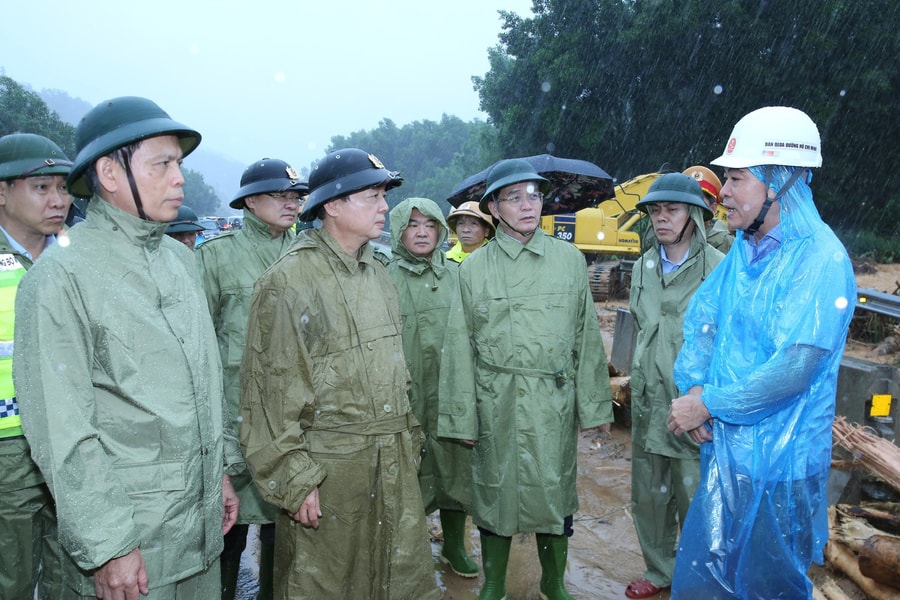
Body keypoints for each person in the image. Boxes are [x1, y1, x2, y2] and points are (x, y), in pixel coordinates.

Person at [14, 96, 243, 599]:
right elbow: (63, 432)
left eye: (179, 164)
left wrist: (221, 472)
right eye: (162, 164)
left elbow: (205, 382)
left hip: (198, 530)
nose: (179, 178)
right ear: (110, 174)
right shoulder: (61, 279)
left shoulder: (180, 264)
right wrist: (109, 544)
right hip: (134, 545)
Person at [666, 107, 856, 598]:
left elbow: (794, 369)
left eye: (735, 178)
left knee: (770, 586)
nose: (722, 191)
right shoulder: (746, 253)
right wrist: (695, 386)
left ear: (781, 181)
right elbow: (705, 321)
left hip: (783, 470)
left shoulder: (822, 260)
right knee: (713, 579)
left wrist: (707, 405)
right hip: (729, 455)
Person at [240, 148, 441, 600]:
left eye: (383, 195)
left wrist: (407, 451)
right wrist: (295, 480)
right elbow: (268, 398)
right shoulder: (289, 281)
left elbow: (397, 377)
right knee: (325, 584)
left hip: (389, 462)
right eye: (372, 195)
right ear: (332, 204)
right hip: (330, 470)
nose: (385, 206)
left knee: (396, 580)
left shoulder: (378, 273)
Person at [438, 158, 614, 600]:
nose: (527, 205)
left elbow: (586, 339)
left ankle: (553, 583)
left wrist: (593, 407)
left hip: (551, 399)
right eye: (513, 197)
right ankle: (494, 583)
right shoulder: (473, 270)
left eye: (533, 195)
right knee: (495, 491)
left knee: (553, 490)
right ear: (493, 209)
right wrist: (462, 418)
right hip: (495, 398)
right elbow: (459, 348)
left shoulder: (569, 260)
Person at [197, 157, 304, 600]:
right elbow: (198, 342)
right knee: (231, 525)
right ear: (250, 201)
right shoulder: (217, 257)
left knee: (287, 526)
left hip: (294, 413)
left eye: (296, 196)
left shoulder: (307, 254)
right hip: (235, 411)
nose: (291, 203)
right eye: (280, 195)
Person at [624, 173, 724, 599]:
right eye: (655, 210)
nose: (662, 218)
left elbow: (729, 344)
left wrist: (710, 402)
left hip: (692, 403)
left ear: (696, 216)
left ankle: (700, 575)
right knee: (649, 493)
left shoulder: (718, 269)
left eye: (673, 210)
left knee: (695, 494)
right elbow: (642, 327)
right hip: (648, 400)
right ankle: (659, 569)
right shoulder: (642, 266)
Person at [379, 197, 478, 578]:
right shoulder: (384, 277)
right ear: (399, 231)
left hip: (450, 394)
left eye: (430, 225)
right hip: (403, 394)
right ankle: (407, 552)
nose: (422, 232)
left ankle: (454, 545)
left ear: (441, 230)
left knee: (456, 471)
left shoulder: (458, 276)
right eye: (412, 224)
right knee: (405, 475)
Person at [0, 133, 72, 599]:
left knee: (73, 573)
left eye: (63, 187)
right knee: (13, 574)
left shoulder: (75, 257)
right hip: (9, 447)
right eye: (41, 187)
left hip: (73, 440)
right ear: (2, 192)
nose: (58, 200)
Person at [683, 165, 734, 253]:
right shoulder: (666, 234)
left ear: (713, 208)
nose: (690, 205)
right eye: (684, 200)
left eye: (698, 201)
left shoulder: (727, 244)